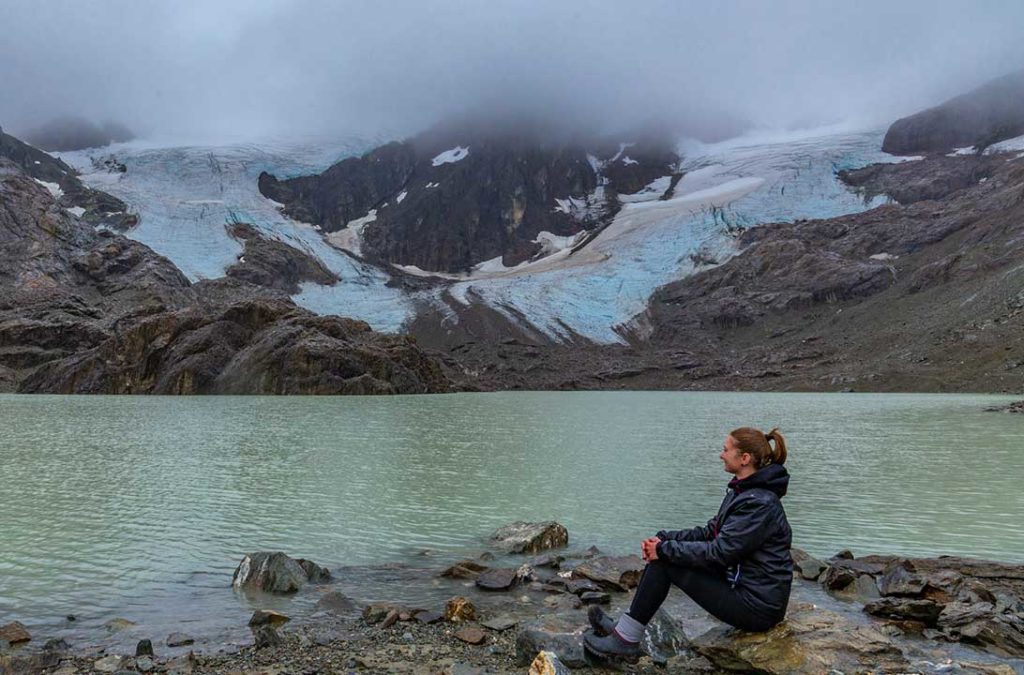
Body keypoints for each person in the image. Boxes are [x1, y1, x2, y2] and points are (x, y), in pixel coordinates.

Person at [584, 427, 793, 663]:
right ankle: (625, 630)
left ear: (744, 458)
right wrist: (665, 539)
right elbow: (709, 532)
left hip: (757, 607)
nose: (721, 455)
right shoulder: (743, 491)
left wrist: (663, 550)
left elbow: (719, 552)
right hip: (740, 586)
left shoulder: (760, 504)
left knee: (665, 563)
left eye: (726, 450)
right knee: (663, 556)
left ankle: (624, 641)